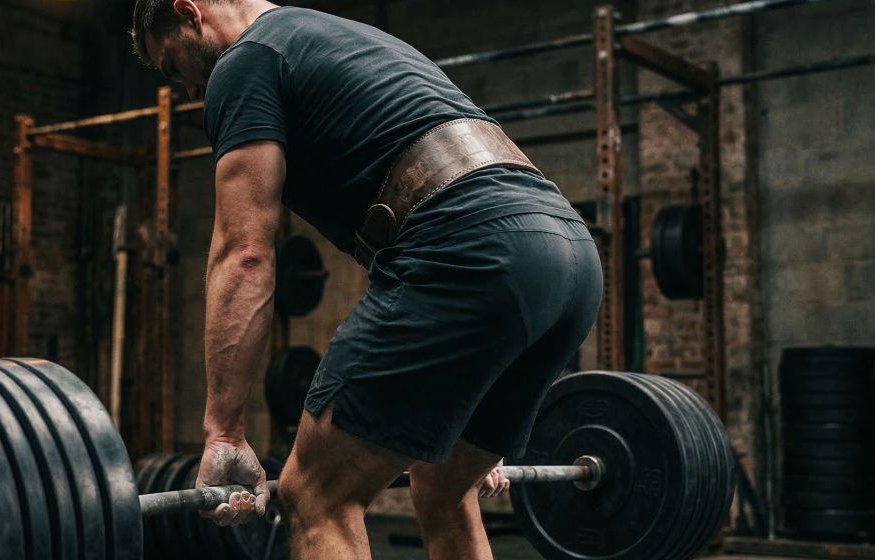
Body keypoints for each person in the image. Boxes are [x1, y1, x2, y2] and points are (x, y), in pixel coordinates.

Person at [130, 1, 603, 558]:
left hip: (470, 254)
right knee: (446, 485)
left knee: (314, 497)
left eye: (171, 65)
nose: (187, 89)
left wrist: (225, 431)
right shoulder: (340, 35)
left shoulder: (245, 61)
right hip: (567, 253)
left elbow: (244, 254)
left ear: (189, 13)